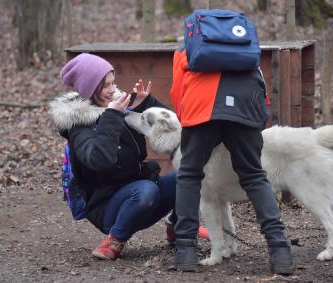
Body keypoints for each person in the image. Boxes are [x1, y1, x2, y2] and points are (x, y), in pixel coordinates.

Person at [168, 46, 294, 274]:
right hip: (244, 108)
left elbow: (178, 95)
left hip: (202, 111)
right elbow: (261, 91)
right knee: (254, 175)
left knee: (189, 174)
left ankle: (185, 251)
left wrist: (190, 127)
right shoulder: (244, 48)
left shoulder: (185, 50)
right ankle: (280, 249)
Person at [50, 53, 177, 260]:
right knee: (146, 190)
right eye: (105, 85)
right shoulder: (80, 127)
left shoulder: (119, 108)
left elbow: (170, 129)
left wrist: (145, 104)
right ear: (90, 88)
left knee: (188, 178)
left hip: (143, 194)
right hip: (110, 207)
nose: (112, 89)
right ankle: (114, 239)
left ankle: (178, 227)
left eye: (112, 83)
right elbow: (100, 161)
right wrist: (112, 116)